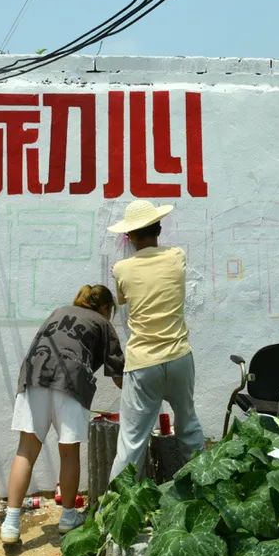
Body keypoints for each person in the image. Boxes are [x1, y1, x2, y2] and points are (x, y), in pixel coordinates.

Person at [0, 285, 125, 544]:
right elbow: (118, 374)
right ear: (105, 307)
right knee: (68, 451)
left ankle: (10, 523)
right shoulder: (102, 323)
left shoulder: (59, 312)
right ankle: (68, 516)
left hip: (34, 376)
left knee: (26, 450)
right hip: (71, 379)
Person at [106, 200, 204, 481]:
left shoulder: (121, 268)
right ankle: (205, 490)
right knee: (188, 426)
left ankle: (119, 505)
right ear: (159, 229)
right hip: (179, 356)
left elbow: (122, 299)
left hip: (143, 362)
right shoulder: (177, 256)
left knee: (132, 441)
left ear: (129, 236)